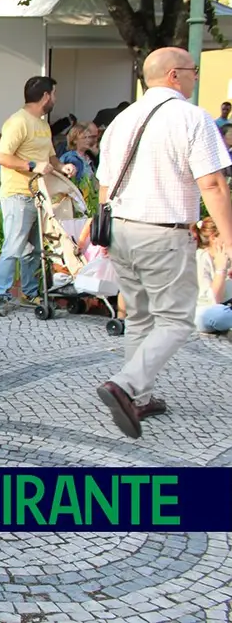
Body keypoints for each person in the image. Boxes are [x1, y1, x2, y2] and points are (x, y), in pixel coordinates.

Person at [93, 47, 232, 439]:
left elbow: (105, 184)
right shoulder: (192, 117)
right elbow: (213, 184)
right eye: (193, 70)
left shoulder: (122, 120)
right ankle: (126, 383)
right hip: (163, 231)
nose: (197, 77)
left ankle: (140, 396)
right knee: (175, 320)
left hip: (121, 228)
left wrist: (107, 234)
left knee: (139, 316)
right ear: (174, 75)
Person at [0, 76, 65, 317]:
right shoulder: (18, 122)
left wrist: (63, 168)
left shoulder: (43, 124)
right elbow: (2, 156)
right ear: (45, 96)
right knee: (13, 245)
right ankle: (1, 296)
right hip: (18, 194)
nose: (55, 99)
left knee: (33, 248)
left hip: (38, 195)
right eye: (53, 94)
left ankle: (30, 292)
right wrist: (32, 165)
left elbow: (51, 157)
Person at [195, 218, 232, 334]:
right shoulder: (200, 258)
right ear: (213, 238)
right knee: (219, 315)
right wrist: (221, 269)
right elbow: (213, 301)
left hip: (228, 307)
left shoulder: (229, 255)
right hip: (205, 310)